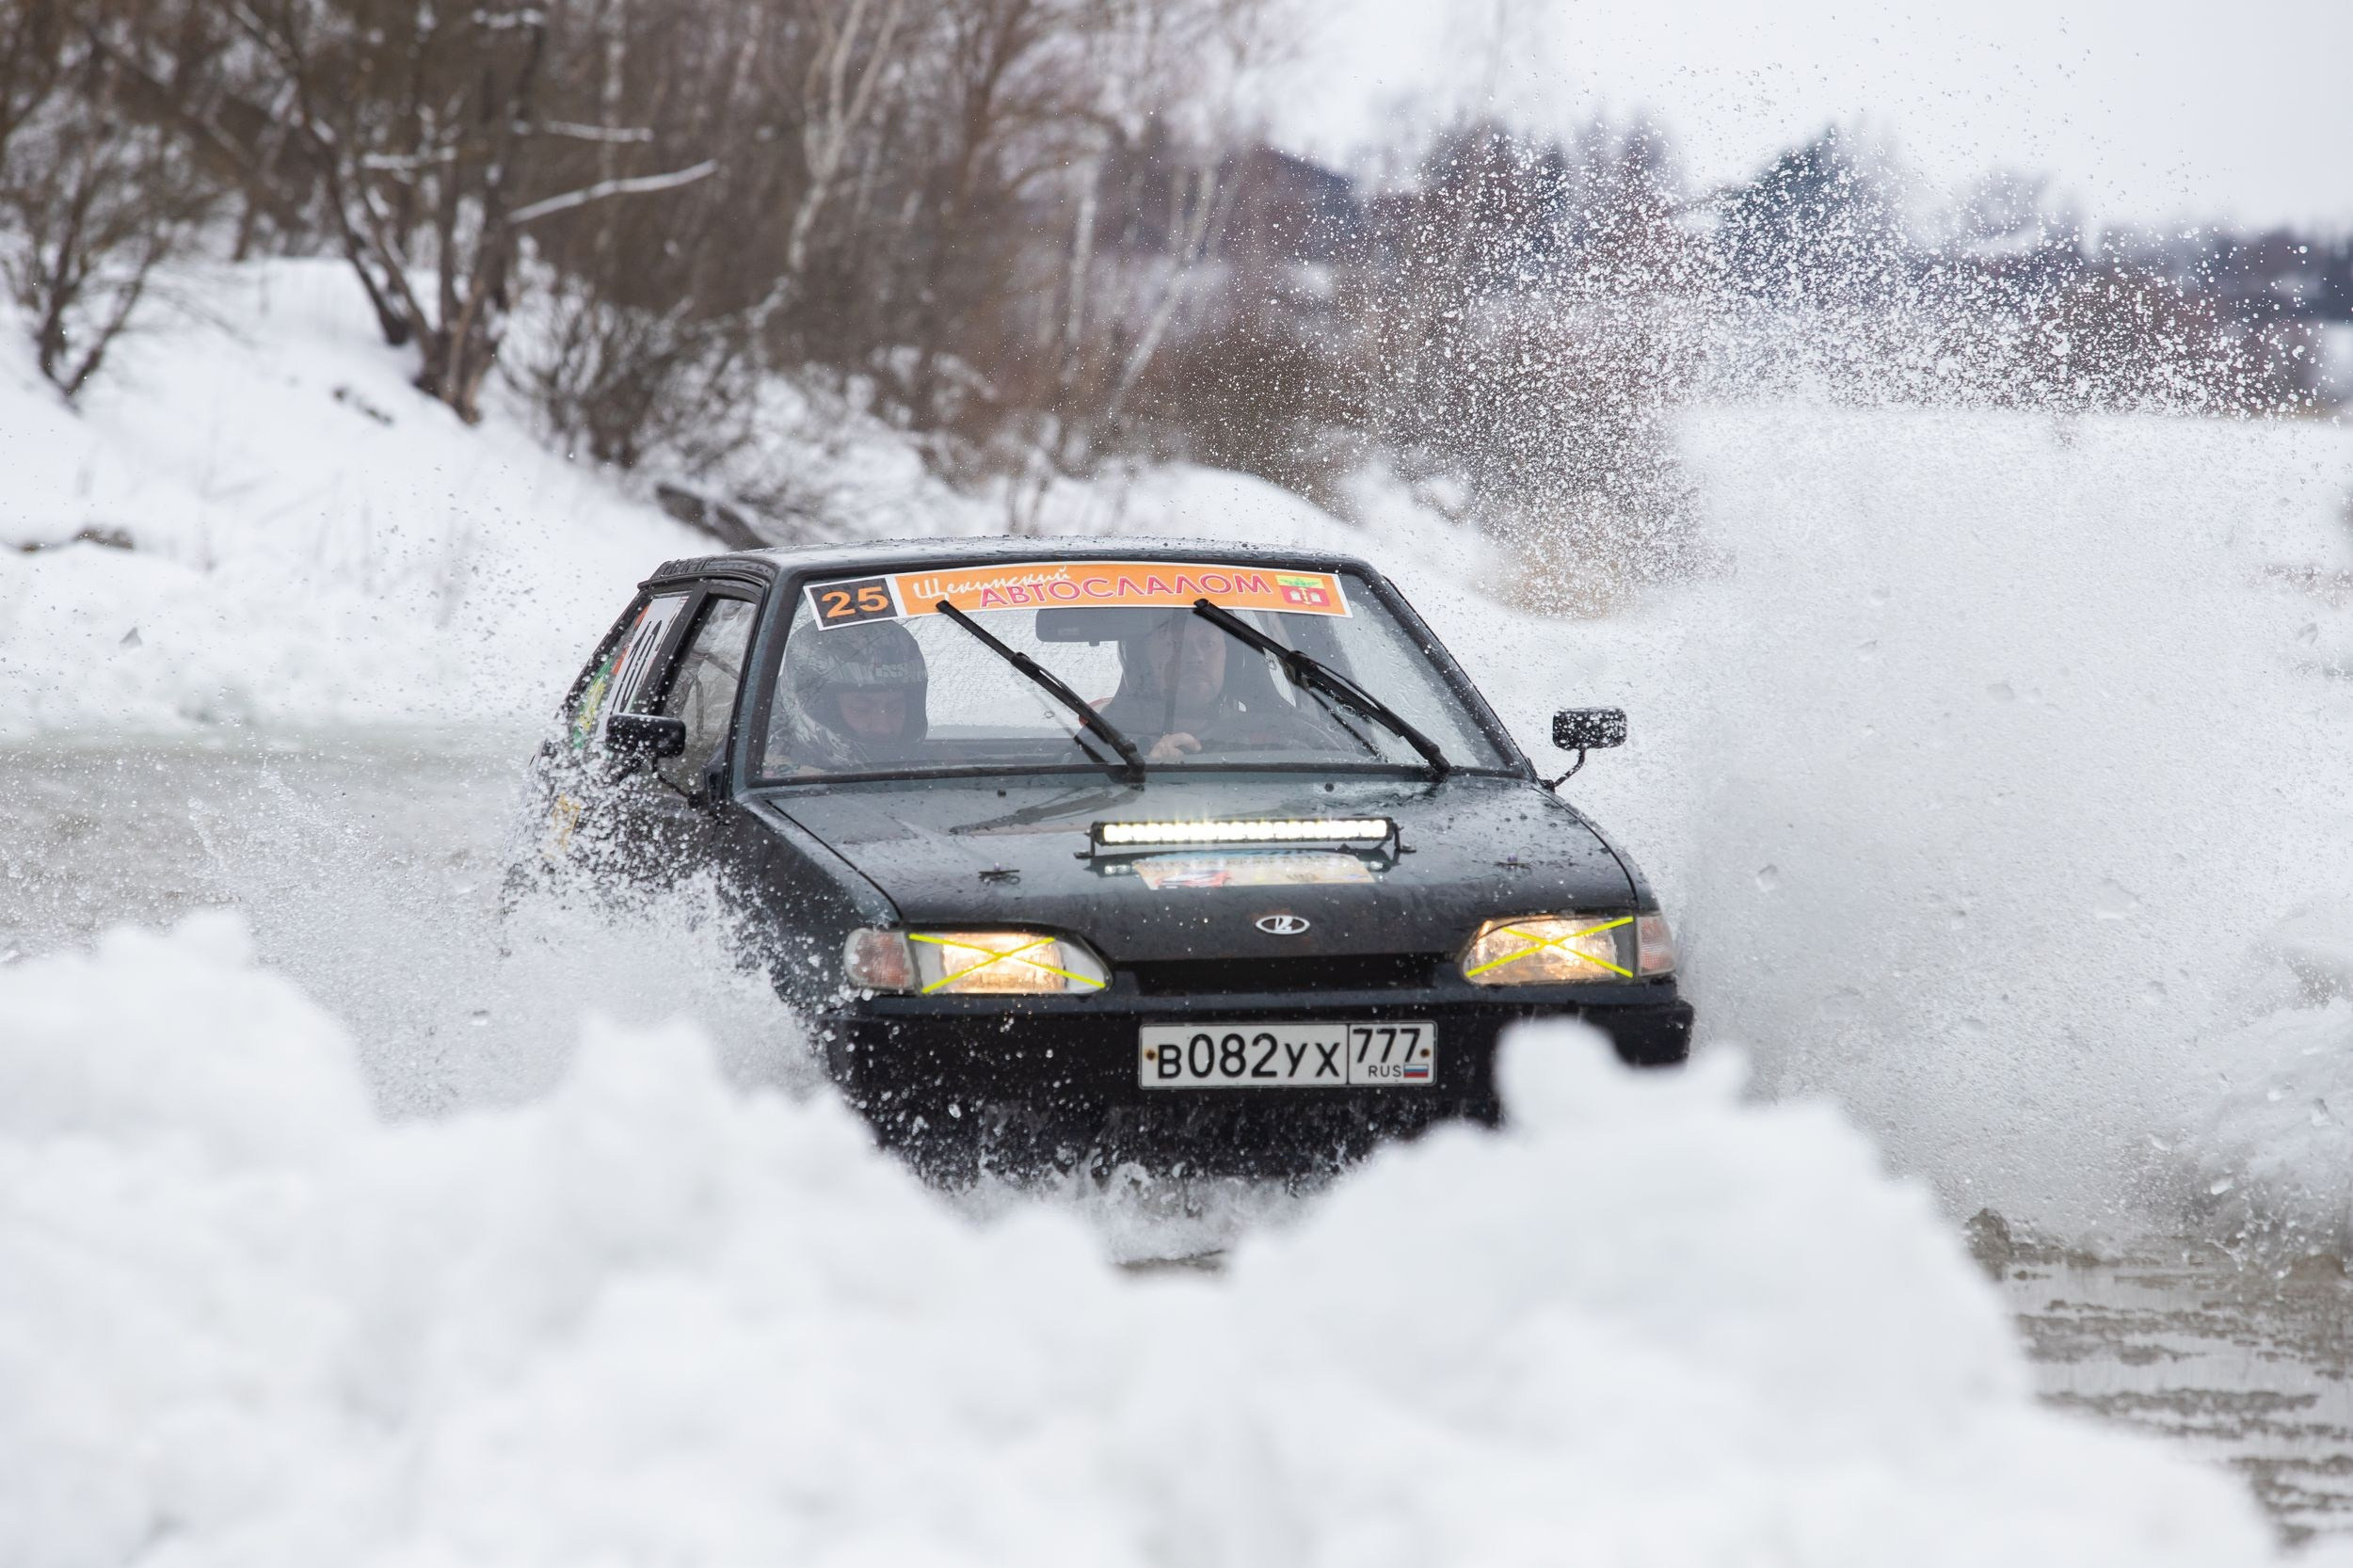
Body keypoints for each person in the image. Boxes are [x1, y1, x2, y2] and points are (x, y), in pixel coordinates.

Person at [1096, 610, 1327, 761]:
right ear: (1141, 661)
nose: (1195, 656)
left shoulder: (1289, 739)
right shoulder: (1100, 748)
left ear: (1233, 660)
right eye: (1175, 644)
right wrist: (1146, 774)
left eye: (1208, 643)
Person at [769, 618, 929, 772]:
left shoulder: (934, 772)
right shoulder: (765, 776)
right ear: (816, 707)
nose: (883, 727)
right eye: (862, 709)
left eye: (895, 708)